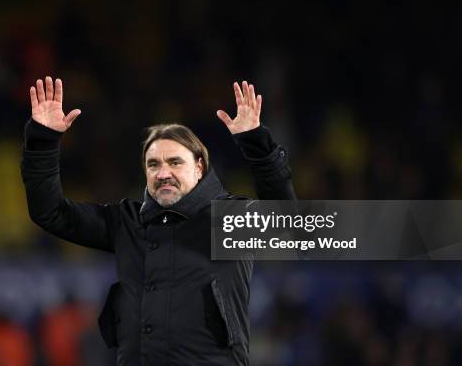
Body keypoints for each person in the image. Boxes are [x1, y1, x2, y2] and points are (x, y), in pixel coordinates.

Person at [21, 76, 296, 365]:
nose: (163, 173)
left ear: (199, 166)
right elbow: (49, 212)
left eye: (175, 162)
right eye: (154, 164)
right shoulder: (128, 221)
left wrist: (256, 142)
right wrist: (44, 141)